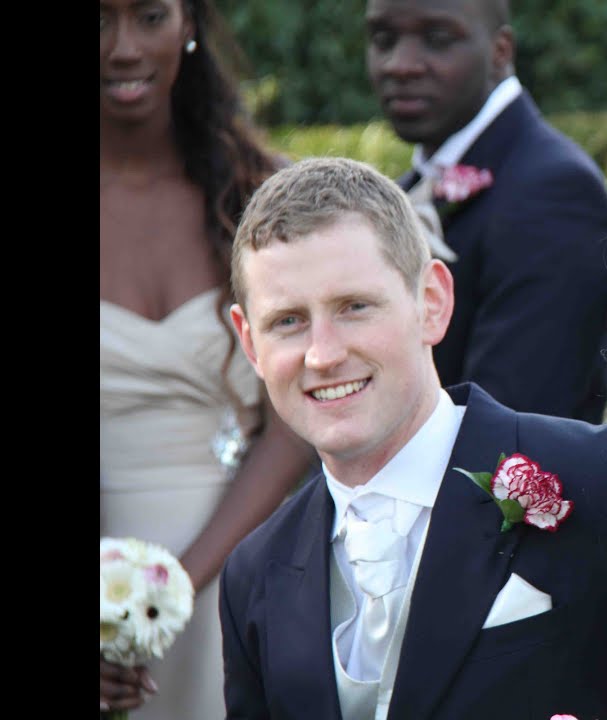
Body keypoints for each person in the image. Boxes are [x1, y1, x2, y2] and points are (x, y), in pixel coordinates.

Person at [219, 157, 607, 719]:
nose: (323, 354)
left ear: (431, 302)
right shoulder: (253, 575)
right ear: (250, 342)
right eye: (288, 321)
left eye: (354, 307)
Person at [99, 0, 315, 717]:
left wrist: (176, 588)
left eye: (149, 17)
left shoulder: (258, 195)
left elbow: (294, 418)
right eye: (98, 20)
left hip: (242, 560)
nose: (122, 48)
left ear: (189, 24)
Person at [366, 0, 607, 423]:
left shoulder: (553, 192)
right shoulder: (410, 188)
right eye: (383, 39)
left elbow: (514, 426)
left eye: (437, 39)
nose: (400, 64)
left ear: (501, 51)